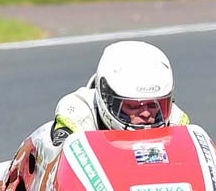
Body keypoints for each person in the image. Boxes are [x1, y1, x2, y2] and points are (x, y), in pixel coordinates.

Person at [50, 40, 190, 146]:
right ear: (108, 100)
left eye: (154, 105)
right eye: (134, 106)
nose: (146, 114)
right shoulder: (77, 116)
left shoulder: (177, 121)